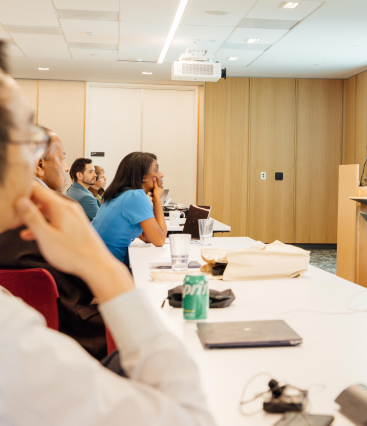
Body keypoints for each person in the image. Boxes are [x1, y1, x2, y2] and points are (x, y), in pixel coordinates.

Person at [0, 41, 214, 425]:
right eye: (27, 139)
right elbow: (189, 417)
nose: (62, 167)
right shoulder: (10, 341)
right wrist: (106, 271)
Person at [0, 129, 107, 359]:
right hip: (76, 331)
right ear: (39, 164)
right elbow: (96, 280)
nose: (66, 167)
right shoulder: (62, 209)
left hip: (11, 338)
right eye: (62, 158)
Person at [92, 152, 167, 266]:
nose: (161, 174)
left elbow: (148, 237)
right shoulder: (135, 196)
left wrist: (156, 200)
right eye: (156, 170)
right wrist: (157, 199)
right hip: (106, 266)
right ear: (143, 176)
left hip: (97, 260)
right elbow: (160, 240)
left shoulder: (122, 193)